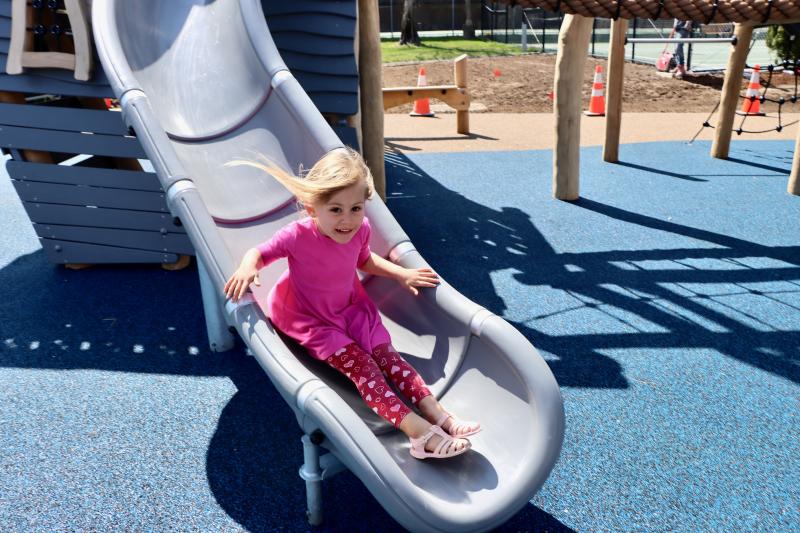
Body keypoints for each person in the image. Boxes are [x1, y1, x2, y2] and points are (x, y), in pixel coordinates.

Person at [223, 148, 480, 459]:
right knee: (365, 369)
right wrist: (248, 267)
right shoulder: (297, 235)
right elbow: (260, 253)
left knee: (391, 359)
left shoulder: (361, 228)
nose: (347, 219)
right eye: (336, 209)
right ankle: (418, 434)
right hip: (312, 319)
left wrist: (402, 274)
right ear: (312, 208)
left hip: (351, 310)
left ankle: (440, 416)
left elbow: (364, 259)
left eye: (356, 208)